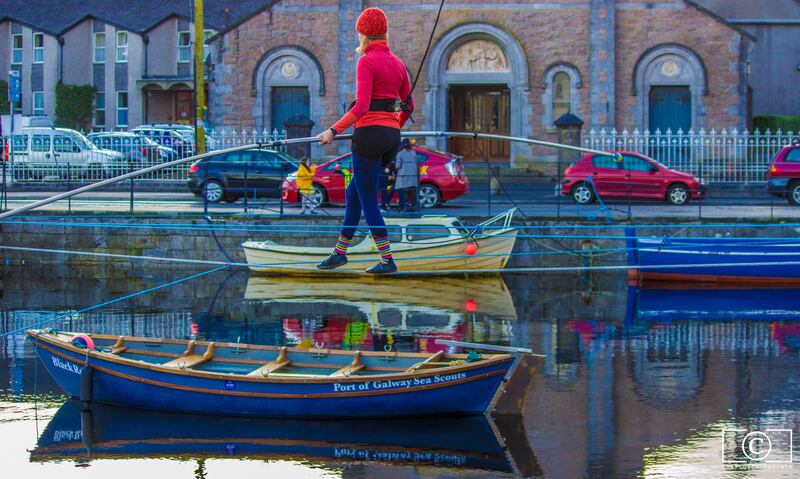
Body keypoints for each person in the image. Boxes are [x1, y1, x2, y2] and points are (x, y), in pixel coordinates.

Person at [316, 7, 414, 274]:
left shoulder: (366, 61)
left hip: (369, 137)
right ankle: (340, 253)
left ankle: (386, 260)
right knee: (354, 194)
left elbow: (361, 107)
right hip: (392, 138)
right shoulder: (398, 64)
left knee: (369, 200)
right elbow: (409, 106)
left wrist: (332, 131)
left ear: (363, 34)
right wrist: (392, 126)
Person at [394, 138, 419, 212]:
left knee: (406, 192)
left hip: (404, 175)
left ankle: (406, 207)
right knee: (412, 192)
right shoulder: (413, 153)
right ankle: (413, 206)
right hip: (413, 175)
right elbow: (416, 162)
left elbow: (398, 166)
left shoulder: (400, 153)